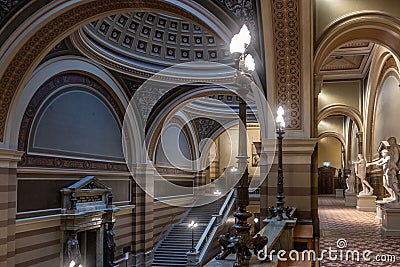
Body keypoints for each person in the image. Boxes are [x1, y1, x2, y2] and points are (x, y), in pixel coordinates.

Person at [387, 137, 400, 202]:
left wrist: (393, 164)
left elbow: (396, 157)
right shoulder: (392, 147)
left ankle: (398, 197)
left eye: (389, 142)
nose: (389, 143)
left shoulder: (395, 147)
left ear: (392, 141)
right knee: (391, 183)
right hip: (391, 166)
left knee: (394, 182)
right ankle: (396, 198)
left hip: (393, 167)